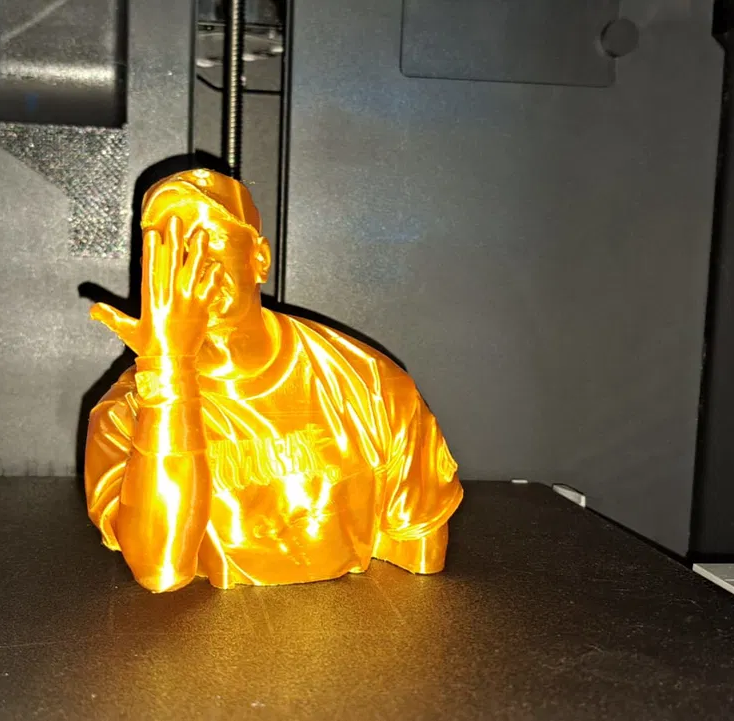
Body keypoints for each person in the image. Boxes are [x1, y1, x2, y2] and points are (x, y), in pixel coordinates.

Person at [85, 168, 463, 592]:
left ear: (259, 258)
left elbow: (420, 557)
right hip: (211, 630)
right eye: (167, 246)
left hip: (357, 623)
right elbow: (161, 571)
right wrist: (167, 370)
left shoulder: (371, 384)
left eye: (210, 236)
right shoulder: (126, 413)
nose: (191, 263)